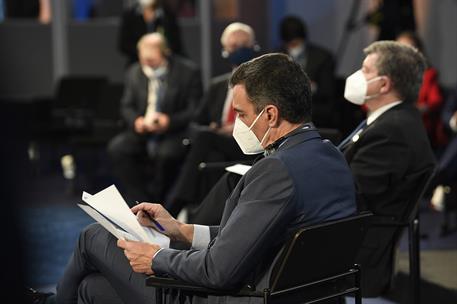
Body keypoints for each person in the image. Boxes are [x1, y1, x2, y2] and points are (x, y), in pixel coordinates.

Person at [53, 53, 356, 304]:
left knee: (93, 236)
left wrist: (156, 257)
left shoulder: (277, 170)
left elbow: (218, 271)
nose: (239, 123)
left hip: (233, 296)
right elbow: (254, 237)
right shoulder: (331, 157)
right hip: (303, 295)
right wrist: (182, 231)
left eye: (242, 114)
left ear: (271, 115)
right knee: (90, 290)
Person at [341, 41, 436, 297]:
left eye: (365, 70)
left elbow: (351, 197)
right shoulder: (389, 120)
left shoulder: (392, 130)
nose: (357, 76)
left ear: (384, 84)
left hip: (351, 251)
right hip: (351, 236)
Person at [165, 22, 259, 217]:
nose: (239, 50)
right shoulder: (217, 85)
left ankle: (173, 208)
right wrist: (214, 128)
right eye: (233, 46)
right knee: (207, 145)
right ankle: (199, 219)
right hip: (217, 143)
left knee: (205, 140)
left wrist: (236, 125)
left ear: (254, 46)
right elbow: (195, 123)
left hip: (250, 141)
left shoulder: (264, 83)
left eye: (244, 44)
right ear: (225, 51)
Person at [108, 32, 202, 204]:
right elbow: (126, 105)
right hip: (143, 129)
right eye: (144, 59)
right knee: (118, 148)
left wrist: (169, 121)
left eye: (152, 58)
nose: (148, 63)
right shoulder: (134, 72)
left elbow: (195, 110)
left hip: (174, 130)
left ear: (165, 52)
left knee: (167, 155)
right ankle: (141, 201)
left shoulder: (188, 72)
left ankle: (163, 202)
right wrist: (136, 121)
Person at [279, 15, 336, 128]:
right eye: (291, 44)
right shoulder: (276, 57)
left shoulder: (322, 57)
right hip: (283, 114)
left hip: (316, 113)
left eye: (297, 43)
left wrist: (309, 87)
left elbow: (328, 91)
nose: (295, 48)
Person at [396, 31, 446, 149]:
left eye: (409, 49)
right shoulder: (390, 74)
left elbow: (436, 101)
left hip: (418, 126)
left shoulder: (428, 74)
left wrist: (417, 108)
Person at [118, 0, 183, 65]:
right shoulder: (130, 15)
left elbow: (176, 44)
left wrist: (162, 51)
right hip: (137, 63)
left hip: (165, 64)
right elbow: (124, 45)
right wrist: (143, 51)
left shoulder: (167, 14)